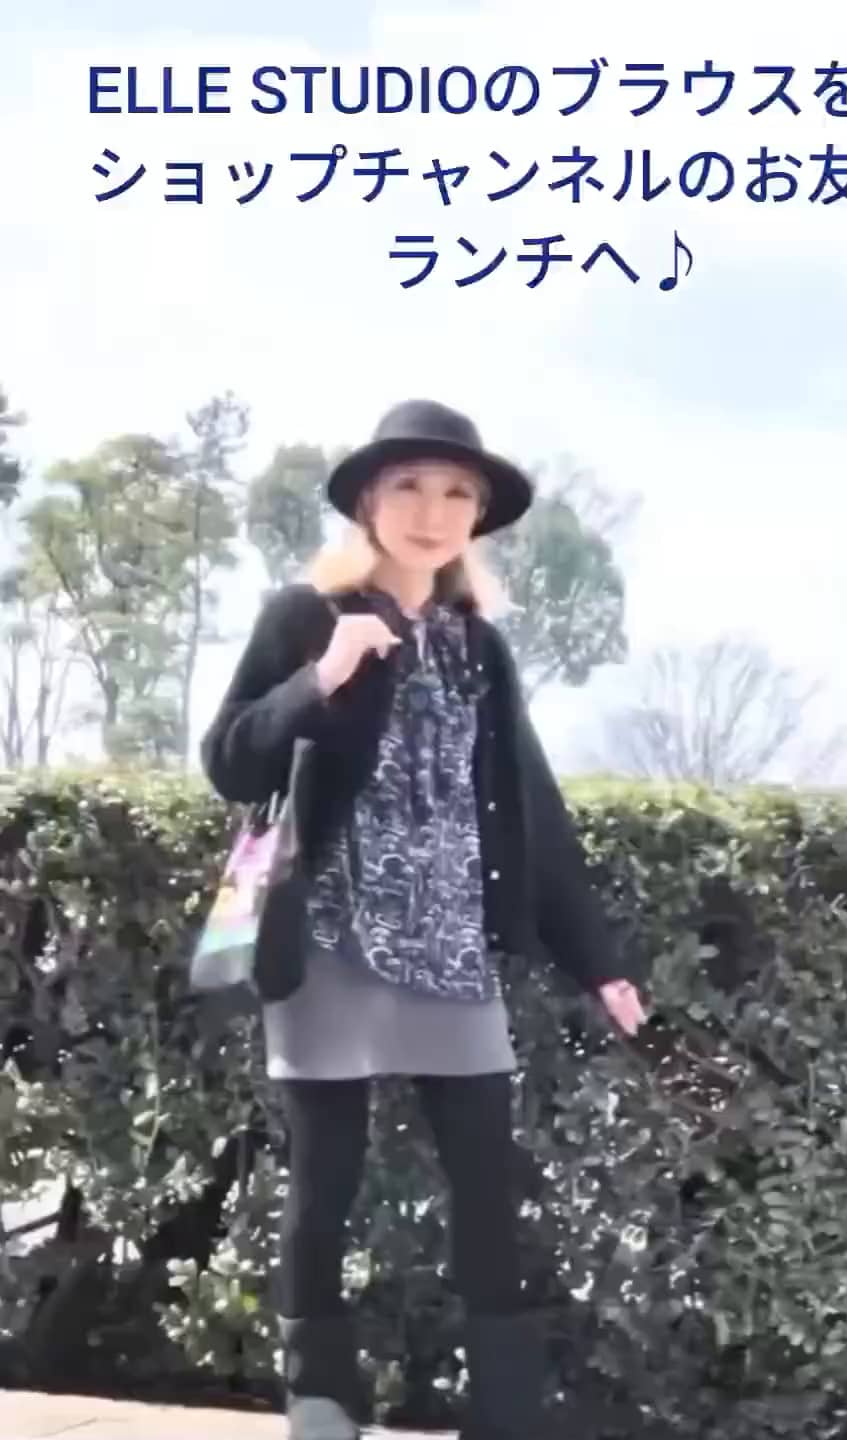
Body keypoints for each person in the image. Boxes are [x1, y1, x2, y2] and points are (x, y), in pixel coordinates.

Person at [200, 398, 647, 1440]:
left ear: (476, 518)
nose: (431, 510)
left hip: (452, 952)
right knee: (325, 1184)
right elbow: (230, 761)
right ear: (367, 499)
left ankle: (504, 1410)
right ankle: (321, 1400)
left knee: (488, 1185)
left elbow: (533, 810)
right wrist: (322, 677)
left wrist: (598, 962)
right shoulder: (303, 617)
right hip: (328, 942)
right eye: (407, 485)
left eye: (456, 493)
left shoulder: (478, 648)